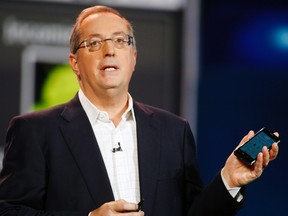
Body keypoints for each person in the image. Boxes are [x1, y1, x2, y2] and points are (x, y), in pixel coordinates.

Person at [0, 5, 279, 216]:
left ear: (133, 58)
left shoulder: (173, 130)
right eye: (94, 43)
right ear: (74, 62)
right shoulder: (35, 130)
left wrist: (228, 180)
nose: (109, 50)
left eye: (120, 41)